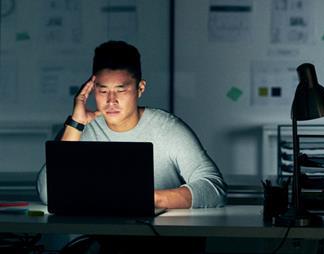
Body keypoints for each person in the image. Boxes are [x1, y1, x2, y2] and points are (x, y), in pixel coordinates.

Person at [37, 40, 227, 209]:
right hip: (104, 237)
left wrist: (148, 199)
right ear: (92, 90)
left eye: (121, 90)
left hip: (162, 238)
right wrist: (75, 123)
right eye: (103, 91)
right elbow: (49, 193)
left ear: (140, 89)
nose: (111, 101)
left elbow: (213, 187)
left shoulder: (168, 129)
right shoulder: (79, 128)